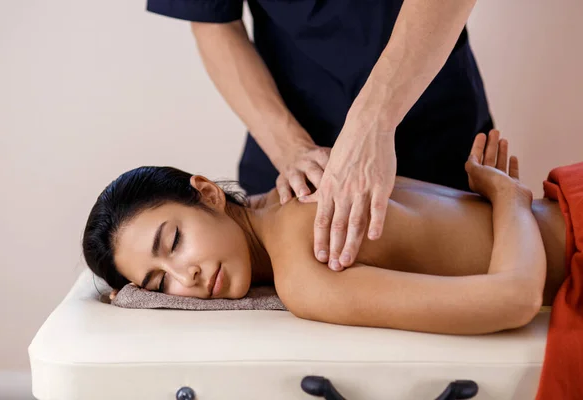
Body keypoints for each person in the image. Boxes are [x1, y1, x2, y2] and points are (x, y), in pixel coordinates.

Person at [83, 130, 568, 335]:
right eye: (158, 283)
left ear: (208, 194)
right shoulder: (309, 179)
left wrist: (509, 199)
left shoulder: (304, 274)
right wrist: (505, 200)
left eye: (173, 242)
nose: (183, 277)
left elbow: (516, 300)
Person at [146, 0, 493, 271]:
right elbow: (212, 22)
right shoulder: (296, 258)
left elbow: (511, 296)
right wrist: (290, 150)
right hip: (293, 166)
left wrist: (373, 125)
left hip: (436, 131)